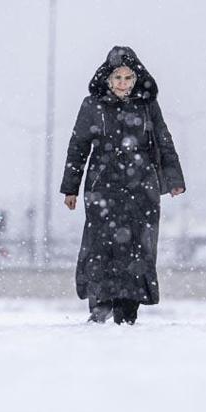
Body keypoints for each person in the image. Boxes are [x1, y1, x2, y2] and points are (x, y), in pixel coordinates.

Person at [61, 46, 185, 325]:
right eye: (118, 78)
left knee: (137, 248)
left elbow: (164, 141)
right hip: (102, 185)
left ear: (136, 79)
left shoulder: (147, 105)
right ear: (107, 78)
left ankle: (128, 309)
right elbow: (77, 147)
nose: (123, 84)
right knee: (101, 247)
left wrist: (174, 180)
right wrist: (71, 188)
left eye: (128, 78)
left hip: (141, 187)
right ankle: (100, 305)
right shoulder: (91, 106)